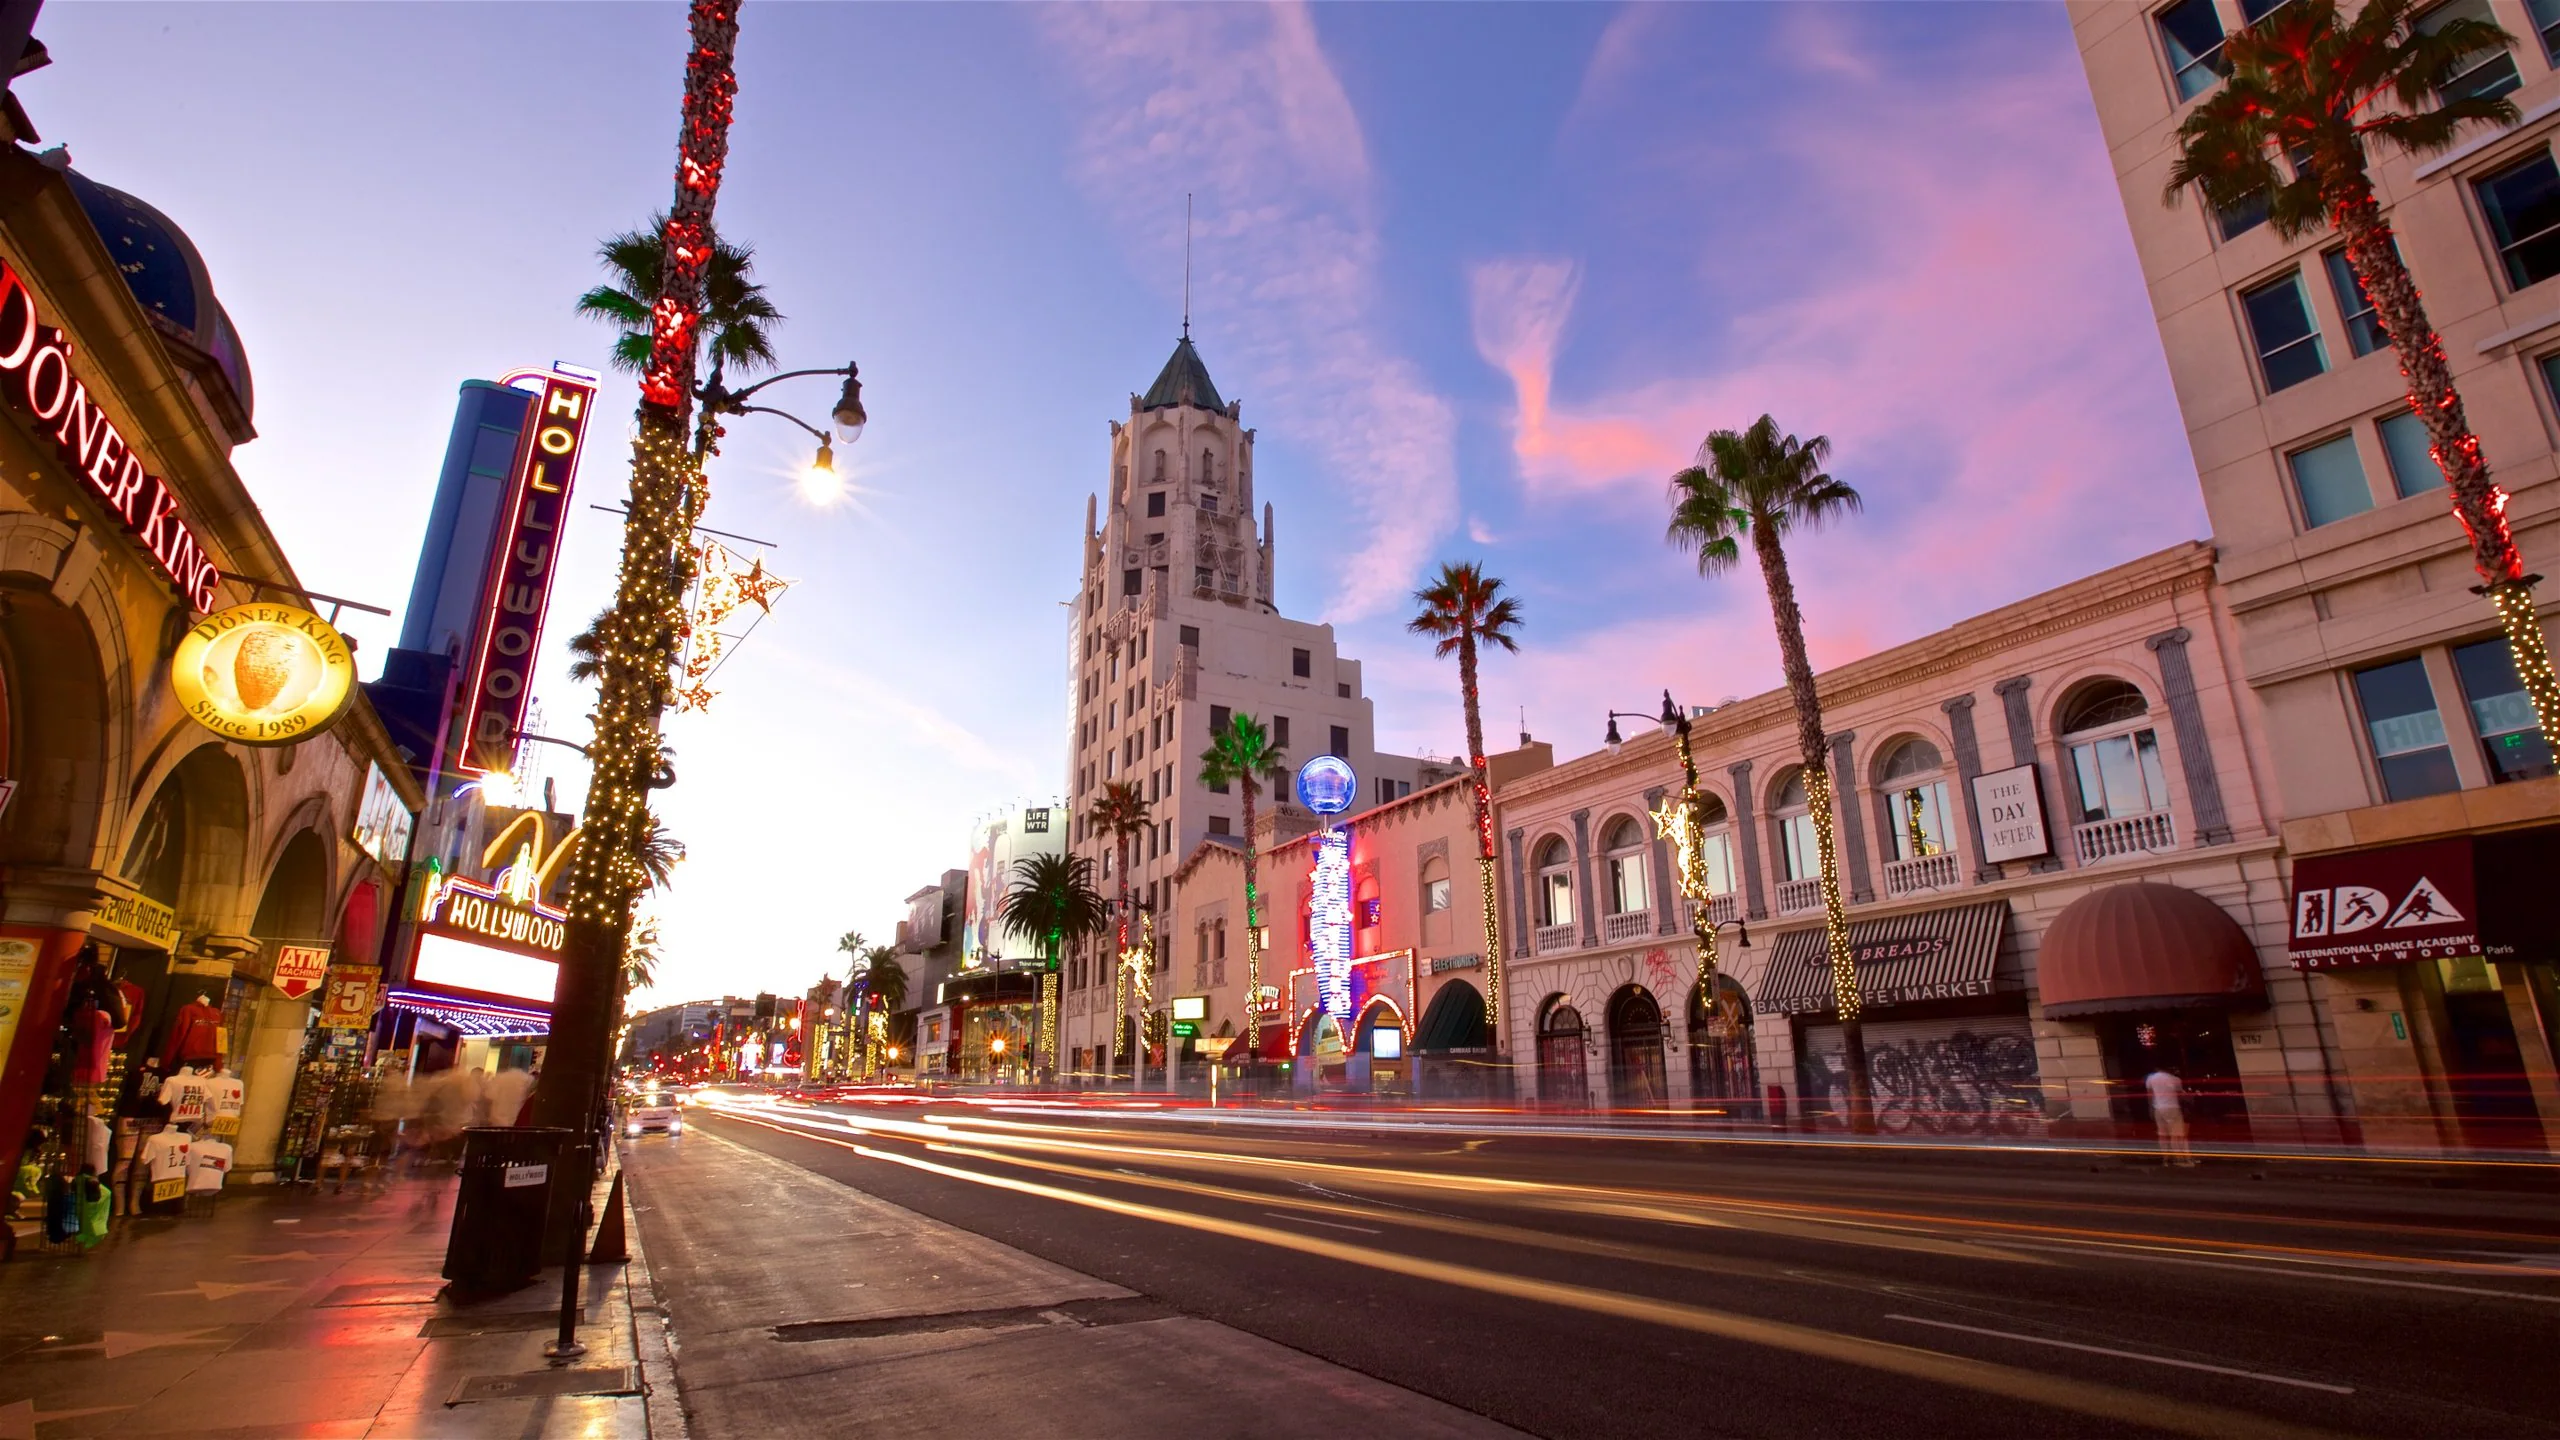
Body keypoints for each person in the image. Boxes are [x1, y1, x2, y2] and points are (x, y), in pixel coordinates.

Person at [2145, 1064, 2196, 1168]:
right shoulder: (2175, 1079)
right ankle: (2179, 1159)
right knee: (2176, 1135)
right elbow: (2180, 1096)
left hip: (2158, 1109)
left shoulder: (2150, 1079)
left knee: (2162, 1135)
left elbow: (2150, 1096)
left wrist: (2151, 1109)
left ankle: (2166, 1158)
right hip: (2173, 1108)